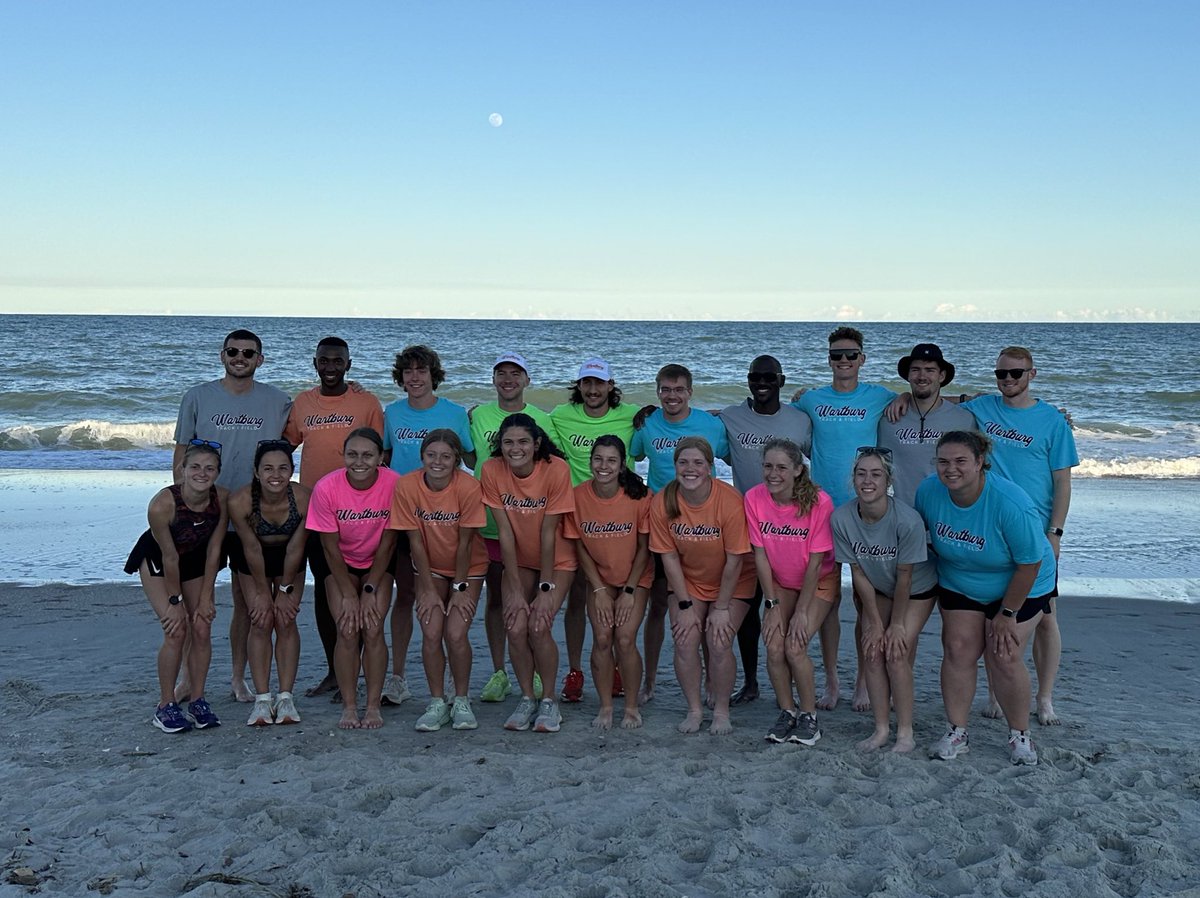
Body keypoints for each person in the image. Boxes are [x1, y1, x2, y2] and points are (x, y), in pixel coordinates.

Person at [914, 431, 1057, 766]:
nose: (951, 469)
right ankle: (957, 732)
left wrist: (1008, 613)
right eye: (943, 461)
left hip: (1024, 581)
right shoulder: (928, 491)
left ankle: (1020, 736)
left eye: (961, 461)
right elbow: (922, 537)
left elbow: (1030, 562)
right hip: (962, 579)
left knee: (1002, 653)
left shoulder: (1010, 502)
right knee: (958, 648)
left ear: (980, 463)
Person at [174, 329, 291, 703]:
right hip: (204, 513)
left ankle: (238, 677)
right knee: (196, 602)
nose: (239, 357)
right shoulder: (197, 397)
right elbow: (180, 460)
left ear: (261, 359)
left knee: (245, 602)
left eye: (248, 352)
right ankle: (187, 679)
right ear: (222, 355)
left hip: (252, 516)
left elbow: (314, 423)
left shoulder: (278, 401)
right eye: (233, 351)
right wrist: (183, 504)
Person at [964, 347, 1078, 726]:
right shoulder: (982, 408)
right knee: (996, 610)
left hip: (1037, 533)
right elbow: (943, 400)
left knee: (1046, 615)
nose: (1008, 380)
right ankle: (997, 693)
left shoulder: (1052, 421)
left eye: (1016, 373)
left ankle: (1045, 698)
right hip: (993, 528)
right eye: (1001, 374)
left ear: (1032, 374)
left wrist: (1055, 532)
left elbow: (1062, 482)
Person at [791, 327, 896, 713]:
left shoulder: (882, 397)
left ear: (862, 359)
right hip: (821, 513)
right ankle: (832, 681)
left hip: (866, 514)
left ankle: (862, 683)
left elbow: (929, 402)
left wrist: (972, 397)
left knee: (866, 601)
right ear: (829, 359)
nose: (844, 361)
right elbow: (781, 420)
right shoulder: (812, 400)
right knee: (829, 602)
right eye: (837, 355)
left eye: (851, 355)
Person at [282, 336, 384, 698]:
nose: (330, 367)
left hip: (364, 514)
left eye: (337, 361)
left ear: (349, 365)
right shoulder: (303, 402)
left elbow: (379, 453)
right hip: (316, 512)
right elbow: (285, 445)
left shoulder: (366, 402)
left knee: (361, 591)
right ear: (314, 363)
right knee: (328, 594)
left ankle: (358, 674)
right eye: (324, 361)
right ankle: (334, 672)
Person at [630, 364, 730, 709]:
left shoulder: (711, 424)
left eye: (679, 390)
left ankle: (707, 680)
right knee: (658, 606)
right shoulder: (647, 423)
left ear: (690, 392)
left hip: (704, 527)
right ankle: (651, 679)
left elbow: (734, 455)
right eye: (665, 390)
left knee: (702, 605)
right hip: (663, 523)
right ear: (657, 391)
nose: (672, 396)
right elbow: (633, 455)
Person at [381, 345, 476, 709]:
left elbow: (469, 457)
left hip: (445, 520)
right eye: (408, 372)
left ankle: (453, 679)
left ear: (433, 375)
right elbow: (386, 459)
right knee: (406, 596)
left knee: (452, 603)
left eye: (421, 371)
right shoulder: (392, 413)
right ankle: (399, 677)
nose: (415, 378)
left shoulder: (453, 413)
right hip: (403, 516)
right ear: (400, 377)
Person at [718, 354, 813, 707]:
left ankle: (788, 682)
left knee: (787, 608)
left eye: (769, 378)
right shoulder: (729, 417)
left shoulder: (801, 420)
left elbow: (817, 459)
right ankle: (752, 681)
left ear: (781, 381)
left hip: (790, 530)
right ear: (747, 380)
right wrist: (649, 412)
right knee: (750, 605)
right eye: (755, 377)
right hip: (746, 524)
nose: (762, 383)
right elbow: (697, 430)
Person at [831, 447, 939, 753]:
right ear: (853, 479)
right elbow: (858, 574)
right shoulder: (842, 518)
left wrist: (895, 626)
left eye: (876, 474)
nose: (868, 480)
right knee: (872, 650)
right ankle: (880, 729)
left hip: (916, 589)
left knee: (895, 652)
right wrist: (875, 623)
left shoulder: (907, 520)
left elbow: (905, 576)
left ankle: (905, 733)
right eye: (861, 473)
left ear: (888, 480)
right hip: (877, 588)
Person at [467, 352, 559, 705]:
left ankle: (533, 673)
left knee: (531, 600)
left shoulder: (542, 419)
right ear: (493, 380)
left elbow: (551, 462)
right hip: (488, 521)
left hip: (529, 526)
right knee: (497, 600)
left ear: (527, 380)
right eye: (501, 373)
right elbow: (471, 457)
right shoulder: (477, 415)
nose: (508, 379)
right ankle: (499, 672)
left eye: (515, 373)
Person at [649, 437, 756, 735]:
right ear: (674, 467)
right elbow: (668, 558)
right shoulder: (664, 501)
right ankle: (694, 710)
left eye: (698, 463)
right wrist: (684, 605)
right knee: (684, 640)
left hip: (733, 583)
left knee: (719, 641)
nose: (690, 469)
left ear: (710, 467)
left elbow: (735, 561)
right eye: (683, 462)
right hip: (690, 583)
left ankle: (721, 711)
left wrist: (720, 608)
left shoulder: (730, 500)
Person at [481, 413, 577, 733]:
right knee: (515, 624)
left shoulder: (556, 469)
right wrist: (514, 588)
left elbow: (550, 532)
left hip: (558, 560)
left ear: (536, 444)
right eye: (508, 442)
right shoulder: (492, 470)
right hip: (519, 560)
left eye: (523, 442)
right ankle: (527, 697)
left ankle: (549, 701)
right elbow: (505, 532)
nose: (515, 448)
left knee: (538, 625)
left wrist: (545, 587)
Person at [124, 441, 229, 733]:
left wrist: (207, 597)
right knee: (176, 628)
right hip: (159, 558)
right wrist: (175, 600)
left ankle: (198, 700)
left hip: (196, 557)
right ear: (181, 470)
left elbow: (215, 550)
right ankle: (166, 705)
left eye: (209, 468)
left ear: (218, 473)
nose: (201, 473)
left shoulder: (222, 499)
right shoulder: (162, 505)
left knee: (202, 626)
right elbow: (169, 556)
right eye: (194, 467)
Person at [550, 357, 637, 704]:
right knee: (577, 600)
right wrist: (477, 411)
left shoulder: (633, 415)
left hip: (617, 516)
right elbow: (530, 425)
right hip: (576, 515)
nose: (593, 389)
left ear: (610, 386)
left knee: (615, 598)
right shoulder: (560, 415)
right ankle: (575, 671)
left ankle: (613, 667)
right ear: (579, 386)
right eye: (587, 383)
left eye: (599, 383)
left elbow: (662, 416)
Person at [390, 430, 488, 732]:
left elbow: (465, 542)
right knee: (431, 630)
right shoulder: (407, 486)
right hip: (428, 565)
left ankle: (460, 699)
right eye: (431, 455)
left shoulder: (469, 487)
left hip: (468, 566)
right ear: (422, 457)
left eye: (446, 456)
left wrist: (459, 589)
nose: (438, 462)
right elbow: (415, 541)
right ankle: (436, 701)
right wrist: (429, 591)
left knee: (456, 633)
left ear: (456, 460)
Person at [307, 428, 400, 730]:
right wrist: (349, 594)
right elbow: (329, 547)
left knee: (372, 628)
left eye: (367, 455)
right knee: (347, 629)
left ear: (380, 458)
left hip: (378, 562)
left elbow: (388, 543)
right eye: (352, 454)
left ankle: (372, 706)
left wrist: (369, 589)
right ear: (343, 456)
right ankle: (349, 705)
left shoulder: (394, 484)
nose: (359, 461)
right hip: (340, 564)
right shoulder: (326, 487)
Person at [745, 439, 836, 747]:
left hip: (818, 581)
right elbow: (760, 555)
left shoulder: (819, 501)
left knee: (795, 646)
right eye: (768, 466)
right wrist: (771, 605)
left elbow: (815, 563)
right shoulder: (754, 498)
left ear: (798, 470)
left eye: (782, 467)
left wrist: (800, 612)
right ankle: (787, 711)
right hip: (780, 583)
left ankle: (809, 717)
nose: (774, 474)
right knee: (773, 644)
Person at [565, 435, 653, 730]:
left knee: (625, 638)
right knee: (603, 637)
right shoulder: (577, 496)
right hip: (599, 577)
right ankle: (605, 706)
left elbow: (644, 550)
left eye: (611, 460)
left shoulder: (639, 496)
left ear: (622, 464)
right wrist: (600, 589)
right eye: (598, 459)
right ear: (590, 461)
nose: (604, 466)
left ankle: (630, 707)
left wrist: (628, 591)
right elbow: (579, 547)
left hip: (635, 578)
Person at [227, 440, 309, 726]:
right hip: (252, 559)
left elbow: (297, 548)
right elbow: (250, 548)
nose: (276, 475)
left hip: (290, 556)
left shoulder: (303, 498)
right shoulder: (240, 501)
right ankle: (262, 700)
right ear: (256, 471)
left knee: (285, 620)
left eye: (283, 468)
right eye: (268, 468)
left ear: (292, 470)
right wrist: (263, 592)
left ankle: (285, 697)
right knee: (261, 619)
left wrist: (285, 590)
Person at [878, 344, 975, 507]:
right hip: (900, 515)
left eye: (930, 370)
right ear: (908, 375)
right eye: (916, 369)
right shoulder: (888, 417)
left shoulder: (964, 419)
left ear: (942, 376)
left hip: (946, 514)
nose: (922, 376)